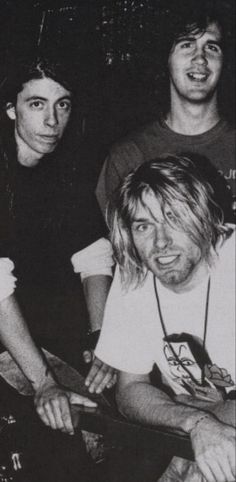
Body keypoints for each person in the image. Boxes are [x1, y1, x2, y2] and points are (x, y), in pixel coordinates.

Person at [0, 53, 115, 481]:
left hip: (44, 329)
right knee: (58, 430)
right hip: (7, 331)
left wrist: (101, 339)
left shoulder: (65, 168)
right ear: (11, 108)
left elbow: (93, 255)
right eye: (37, 104)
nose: (52, 120)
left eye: (62, 104)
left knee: (112, 409)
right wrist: (43, 381)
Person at [95, 154, 235, 482]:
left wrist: (204, 420)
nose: (161, 242)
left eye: (173, 218)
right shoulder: (135, 276)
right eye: (144, 225)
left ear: (204, 217)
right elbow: (130, 391)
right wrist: (196, 423)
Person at [96, 0, 235, 220]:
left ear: (225, 62)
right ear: (166, 58)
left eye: (212, 47)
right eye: (186, 44)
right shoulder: (128, 156)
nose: (200, 58)